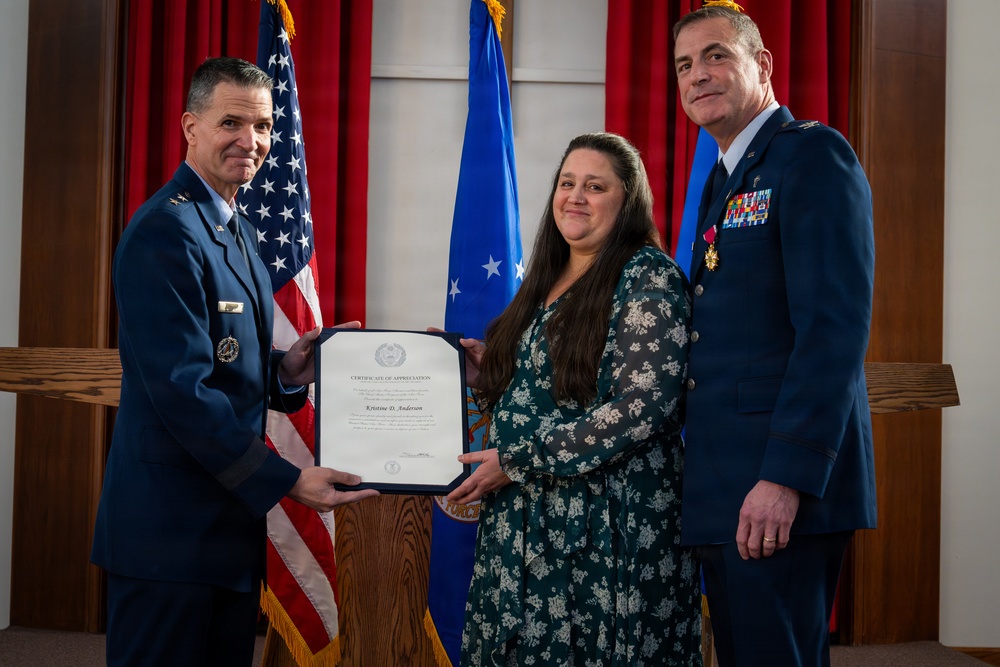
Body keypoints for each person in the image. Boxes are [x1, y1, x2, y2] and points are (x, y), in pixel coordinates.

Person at [90, 57, 378, 666]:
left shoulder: (236, 226)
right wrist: (290, 480)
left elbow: (225, 360)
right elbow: (181, 391)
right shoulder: (165, 233)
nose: (251, 142)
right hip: (169, 532)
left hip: (224, 526)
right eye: (231, 124)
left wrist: (286, 371)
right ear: (191, 127)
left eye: (264, 126)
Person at [448, 132, 703, 666]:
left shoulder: (646, 275)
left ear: (627, 200)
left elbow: (642, 406)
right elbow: (548, 385)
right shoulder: (547, 276)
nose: (576, 196)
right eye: (567, 183)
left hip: (606, 528)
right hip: (524, 516)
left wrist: (518, 459)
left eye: (595, 185)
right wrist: (483, 372)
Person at [673, 4, 877, 666]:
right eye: (683, 65)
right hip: (725, 483)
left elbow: (833, 329)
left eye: (714, 56)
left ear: (760, 65)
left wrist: (785, 477)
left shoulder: (812, 156)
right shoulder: (726, 179)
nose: (697, 75)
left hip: (777, 484)